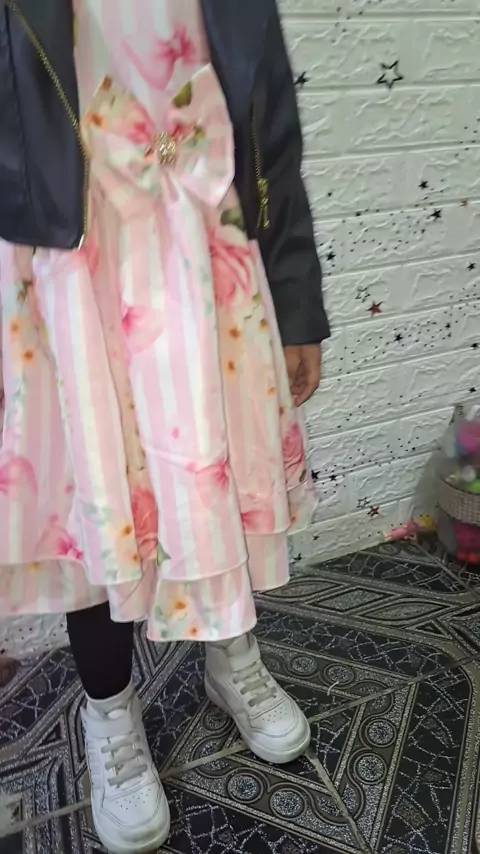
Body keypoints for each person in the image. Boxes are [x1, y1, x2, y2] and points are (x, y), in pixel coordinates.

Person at [0, 1, 330, 851]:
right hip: (72, 257)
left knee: (216, 471)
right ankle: (109, 713)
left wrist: (297, 296)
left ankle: (232, 658)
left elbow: (269, 112)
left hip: (205, 235)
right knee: (97, 498)